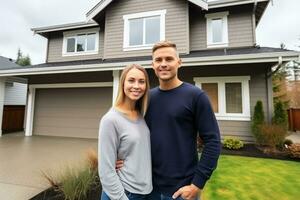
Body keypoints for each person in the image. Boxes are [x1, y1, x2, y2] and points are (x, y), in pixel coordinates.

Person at [146, 41, 221, 200]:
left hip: (182, 191)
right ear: (152, 65)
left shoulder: (196, 96)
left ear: (179, 62)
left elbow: (213, 141)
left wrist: (197, 185)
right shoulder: (147, 98)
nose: (163, 64)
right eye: (158, 60)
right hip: (148, 188)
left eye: (169, 59)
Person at [98, 64, 152, 200]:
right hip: (123, 193)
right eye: (131, 80)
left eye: (141, 81)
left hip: (144, 192)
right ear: (123, 83)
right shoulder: (111, 119)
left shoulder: (141, 114)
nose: (136, 86)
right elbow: (106, 170)